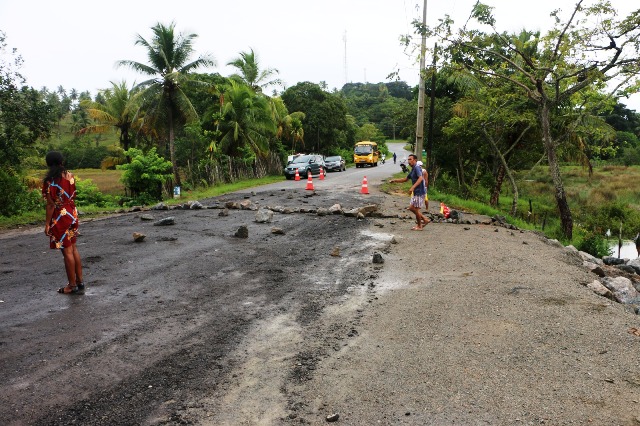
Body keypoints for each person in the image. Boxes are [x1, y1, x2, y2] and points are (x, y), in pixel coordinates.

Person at [42, 151, 84, 295]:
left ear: (48, 163)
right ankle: (80, 282)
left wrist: (47, 224)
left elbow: (50, 205)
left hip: (60, 217)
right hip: (72, 213)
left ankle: (71, 286)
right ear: (61, 162)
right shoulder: (70, 175)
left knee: (66, 251)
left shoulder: (50, 181)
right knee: (73, 247)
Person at [390, 154, 429, 230]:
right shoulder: (413, 169)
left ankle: (420, 226)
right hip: (416, 192)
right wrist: (394, 180)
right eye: (408, 159)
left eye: (410, 159)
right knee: (412, 208)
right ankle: (425, 219)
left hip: (419, 192)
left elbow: (421, 178)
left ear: (415, 160)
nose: (408, 161)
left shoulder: (417, 168)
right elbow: (405, 179)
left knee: (415, 209)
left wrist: (412, 187)